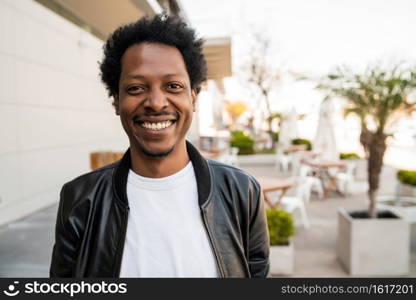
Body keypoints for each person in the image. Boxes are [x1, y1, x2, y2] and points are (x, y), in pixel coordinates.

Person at [49, 14, 269, 278]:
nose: (156, 102)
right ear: (116, 101)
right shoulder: (80, 199)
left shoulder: (242, 192)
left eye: (173, 86)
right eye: (136, 88)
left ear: (193, 97)